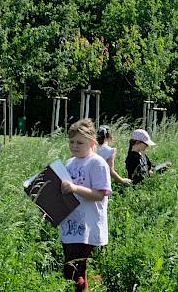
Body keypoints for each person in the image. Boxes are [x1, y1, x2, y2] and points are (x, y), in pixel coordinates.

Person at [58, 119, 111, 292]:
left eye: (80, 142)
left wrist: (75, 188)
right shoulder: (69, 163)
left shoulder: (96, 163)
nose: (74, 146)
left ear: (92, 142)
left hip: (87, 226)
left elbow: (99, 194)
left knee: (75, 271)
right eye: (71, 142)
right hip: (70, 225)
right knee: (73, 269)